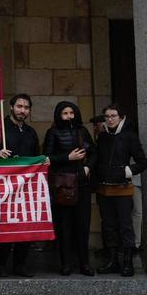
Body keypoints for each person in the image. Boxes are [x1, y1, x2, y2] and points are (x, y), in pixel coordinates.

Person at [0, 93, 49, 278]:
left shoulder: (31, 132)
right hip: (4, 187)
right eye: (19, 106)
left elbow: (36, 156)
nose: (23, 110)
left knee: (25, 226)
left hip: (26, 188)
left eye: (26, 107)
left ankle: (20, 266)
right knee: (5, 226)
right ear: (11, 107)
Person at [43, 101, 96, 277]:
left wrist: (88, 167)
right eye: (65, 113)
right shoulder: (53, 132)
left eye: (71, 113)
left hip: (82, 185)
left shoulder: (83, 131)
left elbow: (95, 152)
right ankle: (65, 264)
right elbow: (47, 157)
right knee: (64, 227)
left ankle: (85, 264)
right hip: (63, 185)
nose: (69, 116)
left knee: (82, 226)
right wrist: (68, 157)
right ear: (59, 115)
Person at [94, 104, 147, 277]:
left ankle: (127, 263)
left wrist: (127, 171)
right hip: (104, 189)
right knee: (109, 226)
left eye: (113, 116)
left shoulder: (129, 137)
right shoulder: (101, 137)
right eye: (107, 116)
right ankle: (112, 262)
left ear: (121, 117)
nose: (109, 119)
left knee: (125, 226)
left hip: (122, 189)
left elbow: (142, 162)